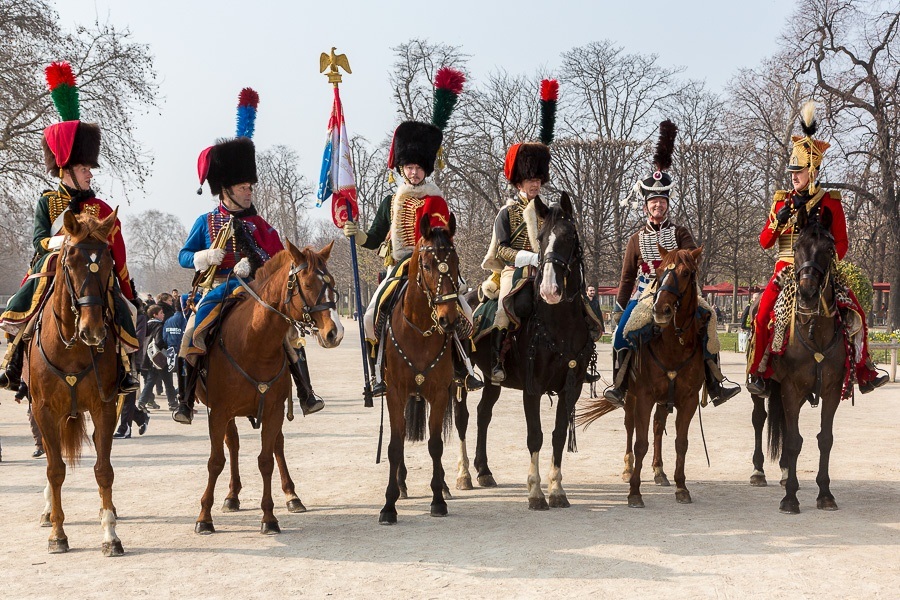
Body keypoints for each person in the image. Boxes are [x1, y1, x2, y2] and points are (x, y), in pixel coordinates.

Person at [174, 88, 323, 423]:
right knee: (192, 332)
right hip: (218, 287)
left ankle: (305, 392)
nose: (249, 192)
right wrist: (204, 257)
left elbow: (280, 258)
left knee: (289, 334)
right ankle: (185, 400)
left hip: (256, 289)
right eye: (243, 188)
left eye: (250, 187)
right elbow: (183, 256)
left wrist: (255, 265)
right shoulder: (206, 221)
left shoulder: (260, 225)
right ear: (225, 190)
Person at [0, 61, 138, 394]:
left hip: (91, 270)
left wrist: (122, 283)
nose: (90, 173)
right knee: (18, 304)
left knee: (121, 311)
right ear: (66, 169)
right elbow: (38, 241)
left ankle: (124, 367)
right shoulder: (47, 202)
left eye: (90, 167)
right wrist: (62, 244)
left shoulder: (103, 209)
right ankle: (14, 361)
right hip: (52, 266)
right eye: (83, 167)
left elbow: (116, 251)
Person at [343, 67, 480, 395]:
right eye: (409, 167)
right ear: (401, 168)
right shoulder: (391, 199)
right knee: (370, 316)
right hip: (399, 266)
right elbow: (375, 237)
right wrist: (356, 233)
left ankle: (463, 366)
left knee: (463, 310)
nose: (414, 172)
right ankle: (379, 371)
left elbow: (445, 236)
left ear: (425, 169)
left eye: (418, 167)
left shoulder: (437, 199)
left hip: (433, 264)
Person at [746, 102, 888, 396]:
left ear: (812, 170)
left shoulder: (831, 201)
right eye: (791, 172)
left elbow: (843, 243)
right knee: (761, 316)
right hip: (786, 269)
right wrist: (778, 221)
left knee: (857, 313)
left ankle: (864, 372)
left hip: (821, 271)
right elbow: (764, 242)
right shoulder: (781, 201)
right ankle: (757, 372)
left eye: (797, 171)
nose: (793, 176)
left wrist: (826, 258)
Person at [604, 120, 740, 407]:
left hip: (677, 292)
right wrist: (618, 307)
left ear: (668, 204)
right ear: (646, 206)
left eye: (662, 202)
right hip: (644, 293)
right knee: (621, 336)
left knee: (710, 321)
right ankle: (619, 386)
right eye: (653, 202)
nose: (658, 206)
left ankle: (716, 383)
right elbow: (627, 276)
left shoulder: (680, 232)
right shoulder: (635, 239)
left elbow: (692, 258)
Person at [481, 79, 602, 384]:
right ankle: (497, 359)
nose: (534, 184)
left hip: (548, 270)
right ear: (518, 182)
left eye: (538, 179)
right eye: (529, 180)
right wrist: (529, 258)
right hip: (515, 271)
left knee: (582, 306)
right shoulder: (506, 212)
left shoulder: (549, 213)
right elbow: (502, 250)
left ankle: (581, 358)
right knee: (509, 307)